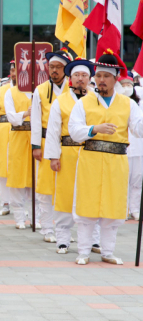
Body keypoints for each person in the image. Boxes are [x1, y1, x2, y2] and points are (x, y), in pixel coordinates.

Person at [68, 50, 143, 265]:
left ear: (115, 78)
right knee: (87, 205)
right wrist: (94, 128)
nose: (101, 80)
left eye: (106, 76)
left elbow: (138, 128)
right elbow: (74, 130)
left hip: (116, 161)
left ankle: (108, 251)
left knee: (112, 205)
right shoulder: (84, 102)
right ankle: (83, 251)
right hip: (90, 159)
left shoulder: (127, 103)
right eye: (98, 76)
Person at [44, 57, 101, 254]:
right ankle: (63, 238)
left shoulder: (97, 99)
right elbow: (52, 130)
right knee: (65, 194)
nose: (80, 79)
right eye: (76, 75)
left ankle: (93, 238)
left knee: (91, 193)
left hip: (91, 152)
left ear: (89, 78)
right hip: (67, 152)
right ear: (70, 78)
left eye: (84, 75)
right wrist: (53, 156)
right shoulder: (61, 101)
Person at [31, 50, 71, 243]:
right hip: (46, 142)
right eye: (51, 67)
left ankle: (66, 230)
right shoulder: (40, 90)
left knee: (67, 186)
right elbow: (36, 120)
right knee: (45, 187)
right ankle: (47, 228)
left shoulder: (73, 90)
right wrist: (36, 145)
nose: (54, 71)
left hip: (69, 144)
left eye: (58, 67)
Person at [5, 62, 37, 230]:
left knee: (35, 178)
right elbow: (11, 116)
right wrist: (25, 113)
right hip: (18, 137)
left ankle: (35, 218)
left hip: (35, 138)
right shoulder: (10, 93)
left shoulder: (39, 92)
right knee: (17, 178)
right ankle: (19, 218)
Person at [121, 75, 143, 221]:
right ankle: (123, 209)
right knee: (123, 180)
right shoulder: (119, 101)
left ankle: (135, 208)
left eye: (129, 84)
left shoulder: (139, 101)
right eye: (124, 84)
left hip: (139, 148)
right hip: (124, 148)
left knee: (137, 180)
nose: (127, 86)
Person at [0, 61, 15, 216]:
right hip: (3, 130)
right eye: (12, 70)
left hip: (22, 132)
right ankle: (5, 203)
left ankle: (20, 205)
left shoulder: (30, 90)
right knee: (2, 167)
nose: (14, 73)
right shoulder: (1, 91)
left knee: (19, 167)